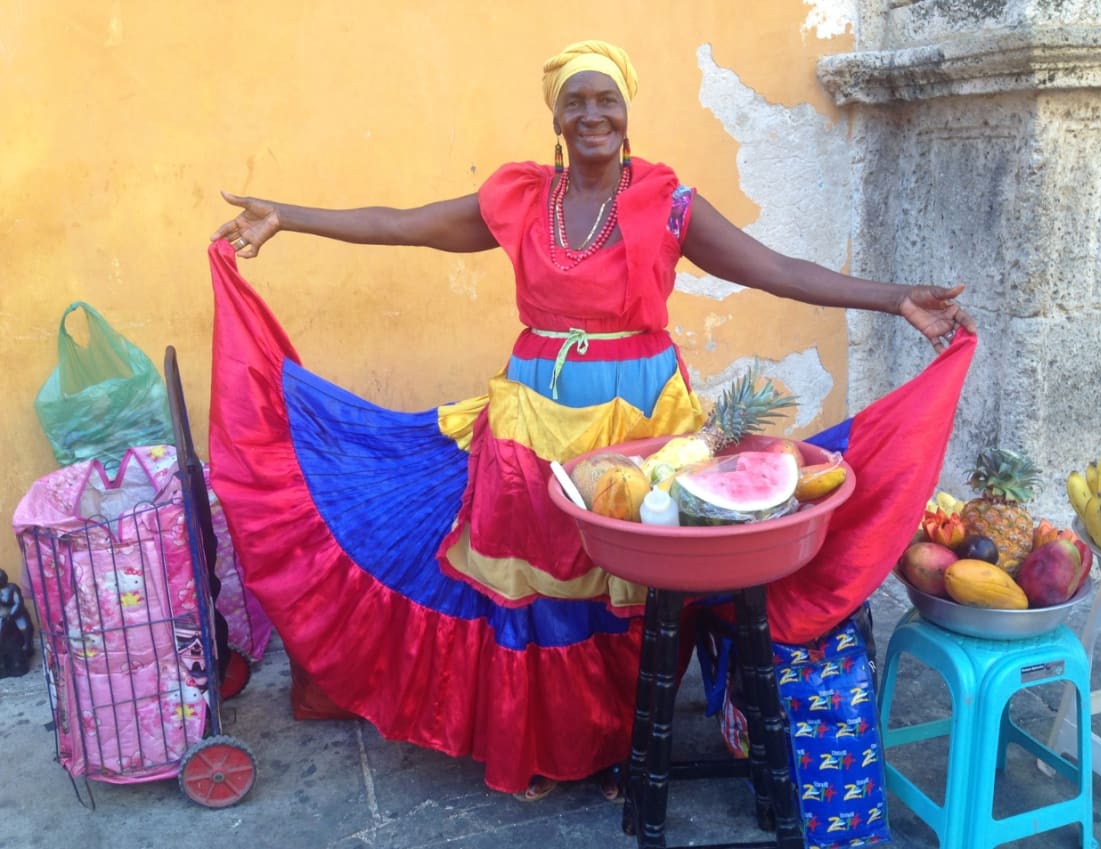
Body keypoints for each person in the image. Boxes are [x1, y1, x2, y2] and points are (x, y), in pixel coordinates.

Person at [207, 39, 976, 802]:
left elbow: (774, 270)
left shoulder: (670, 202)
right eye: (575, 100)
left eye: (605, 98)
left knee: (629, 596)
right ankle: (541, 743)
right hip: (532, 424)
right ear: (557, 118)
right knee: (540, 595)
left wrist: (894, 296)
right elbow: (405, 223)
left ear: (626, 111)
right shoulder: (517, 198)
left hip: (643, 423)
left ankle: (618, 742)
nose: (591, 113)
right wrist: (291, 217)